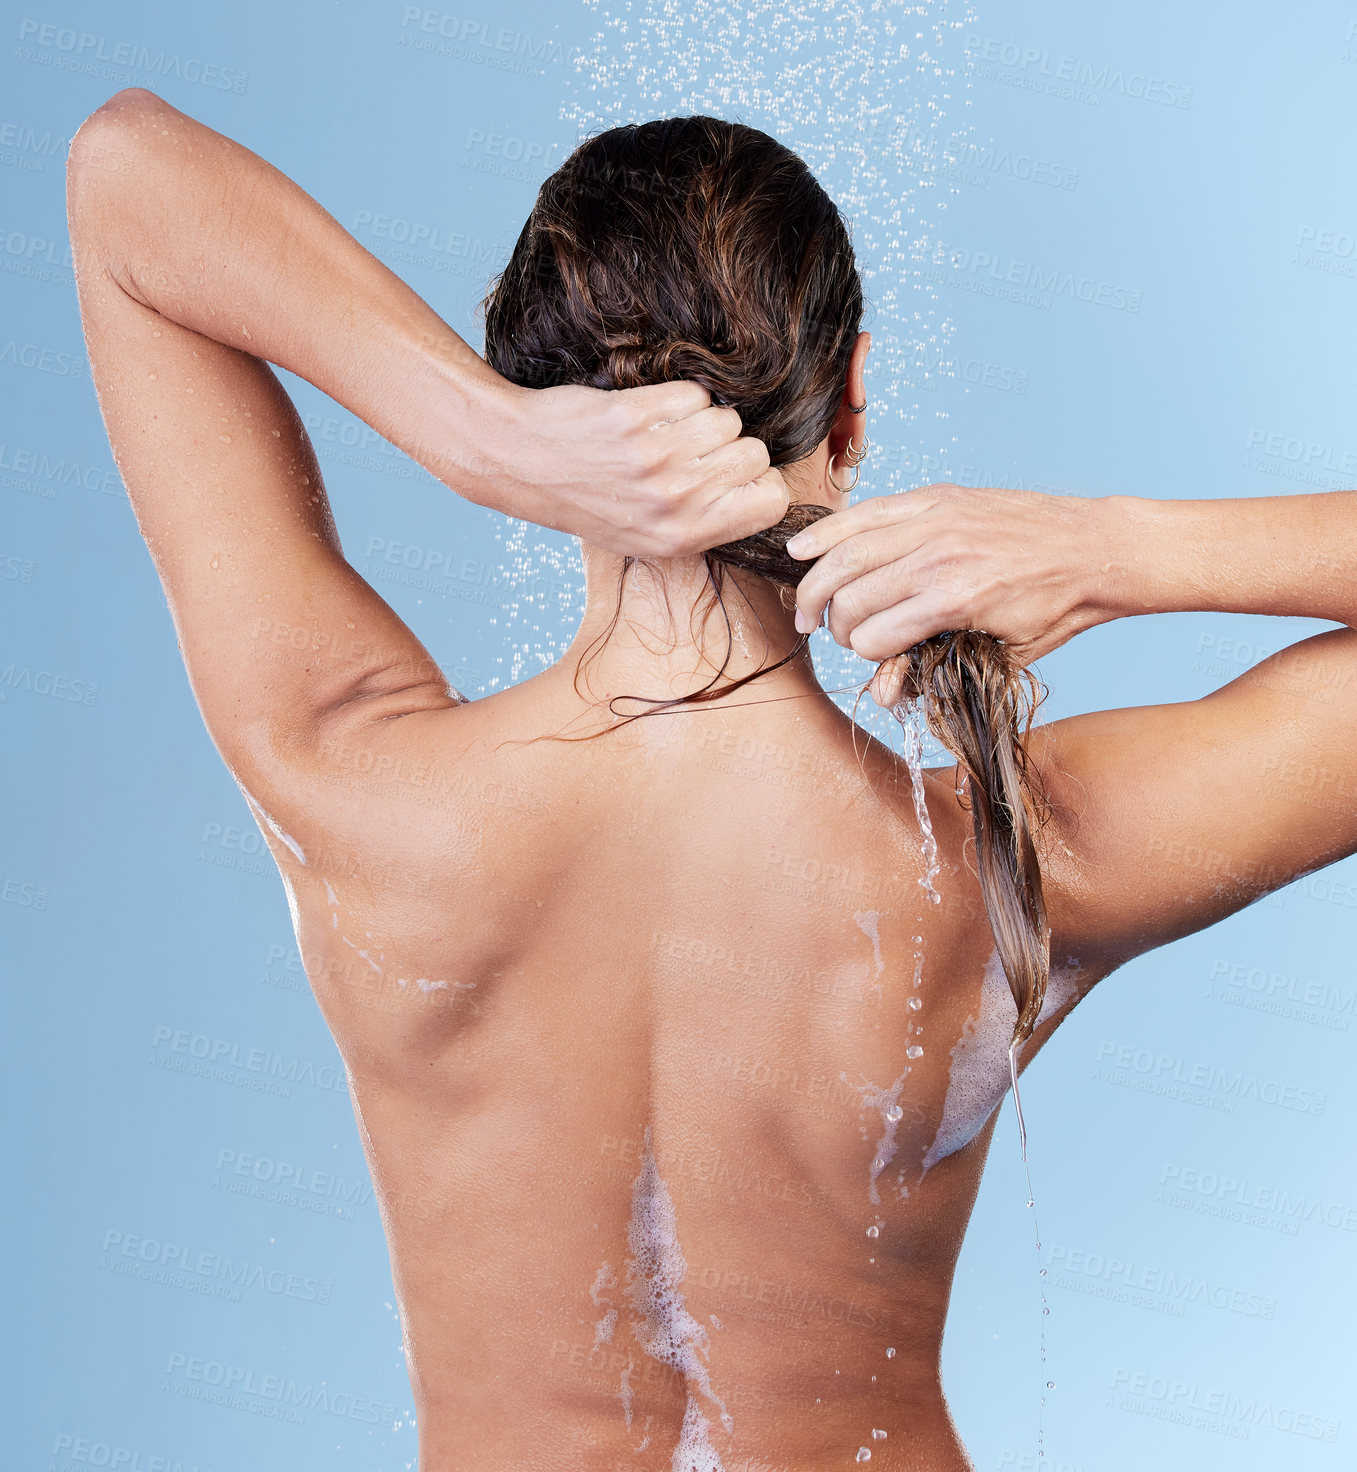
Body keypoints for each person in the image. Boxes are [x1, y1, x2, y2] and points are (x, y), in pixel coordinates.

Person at [67, 88, 1357, 1472]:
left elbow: (124, 179)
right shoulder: (1014, 862)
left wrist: (474, 440)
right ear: (847, 402)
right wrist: (1118, 550)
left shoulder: (360, 789)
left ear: (540, 398)